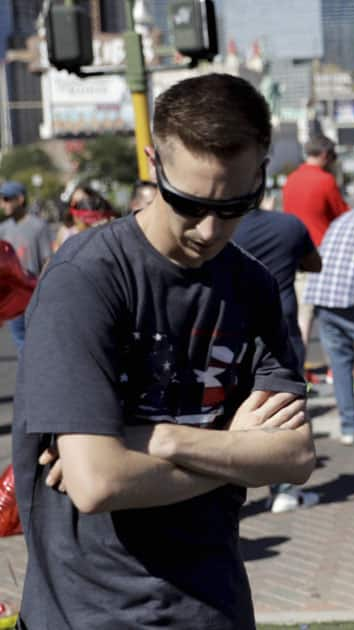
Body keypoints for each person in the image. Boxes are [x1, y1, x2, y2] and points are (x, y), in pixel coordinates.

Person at [12, 73, 316, 629]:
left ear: (262, 174)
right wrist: (236, 455)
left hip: (215, 605)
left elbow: (294, 457)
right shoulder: (87, 277)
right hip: (92, 612)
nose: (208, 229)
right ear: (154, 164)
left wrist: (164, 440)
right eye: (188, 203)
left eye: (235, 206)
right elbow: (97, 482)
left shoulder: (250, 285)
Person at [232, 202, 323, 513]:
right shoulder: (289, 224)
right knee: (282, 408)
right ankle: (282, 490)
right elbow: (314, 264)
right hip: (281, 326)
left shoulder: (225, 228)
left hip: (234, 329)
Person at [302, 205, 354, 446]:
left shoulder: (343, 219)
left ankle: (349, 427)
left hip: (322, 293)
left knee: (341, 364)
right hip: (352, 297)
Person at [283, 136, 349, 354]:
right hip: (320, 253)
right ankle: (301, 366)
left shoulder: (291, 179)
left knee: (300, 308)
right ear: (324, 154)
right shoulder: (325, 181)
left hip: (292, 251)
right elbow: (343, 216)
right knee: (322, 314)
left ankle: (298, 364)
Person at [0, 180, 52, 353]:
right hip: (13, 297)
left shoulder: (38, 227)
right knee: (21, 343)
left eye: (7, 198)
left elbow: (47, 261)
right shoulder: (3, 228)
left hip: (34, 294)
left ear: (20, 199)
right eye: (1, 199)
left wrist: (42, 291)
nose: (3, 203)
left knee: (39, 344)